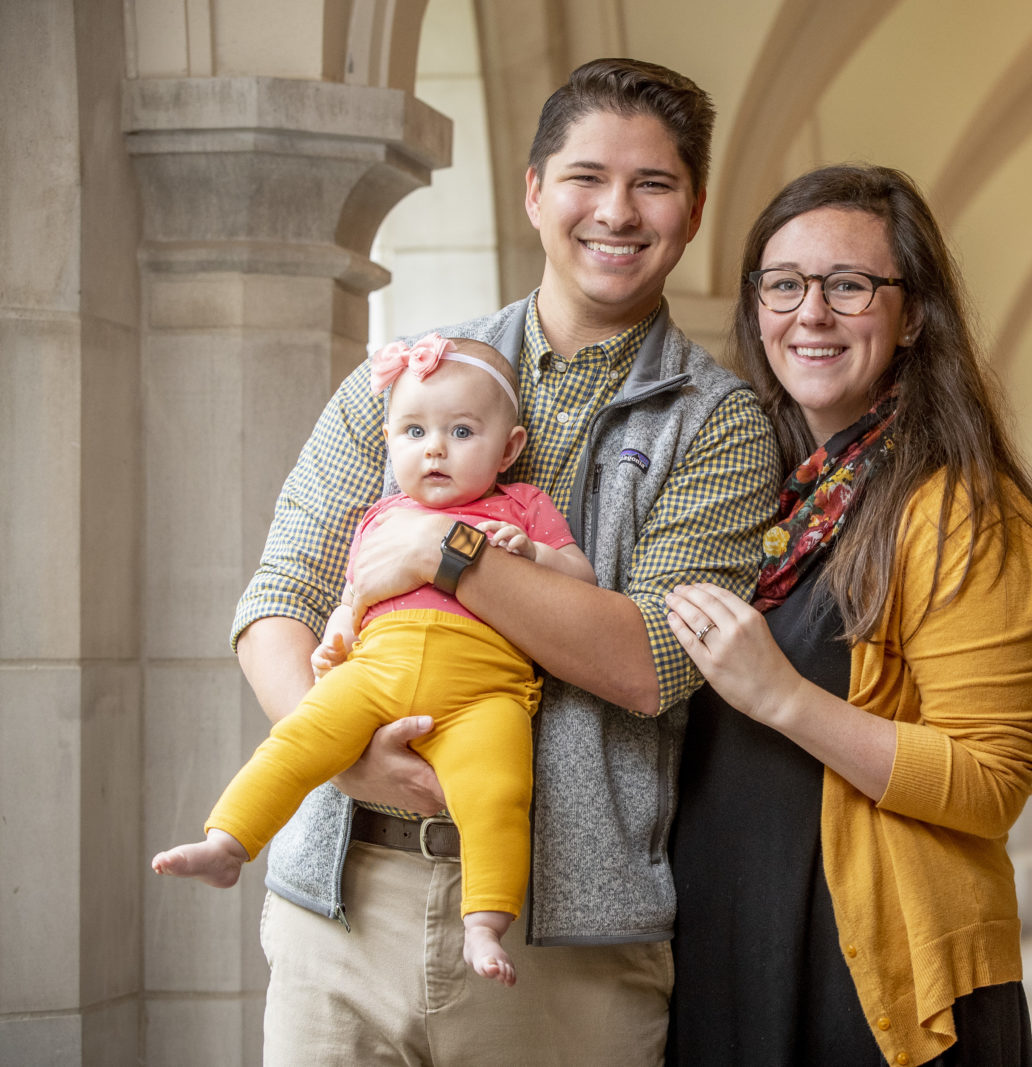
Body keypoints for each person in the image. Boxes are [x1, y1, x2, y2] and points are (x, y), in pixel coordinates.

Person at [229, 59, 779, 1065]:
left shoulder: (721, 424)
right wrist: (344, 752)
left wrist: (450, 550)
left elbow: (653, 662)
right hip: (343, 907)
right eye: (585, 176)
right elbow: (280, 593)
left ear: (692, 211)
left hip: (564, 939)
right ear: (532, 191)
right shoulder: (412, 374)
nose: (615, 210)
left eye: (652, 184)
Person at [664, 163, 1032, 1067]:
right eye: (785, 284)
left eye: (849, 285)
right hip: (730, 952)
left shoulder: (961, 507)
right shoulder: (763, 494)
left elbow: (992, 778)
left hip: (871, 979)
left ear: (913, 314)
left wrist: (784, 697)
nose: (812, 314)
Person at [155, 335, 594, 988]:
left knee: (499, 790)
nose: (435, 447)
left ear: (508, 448)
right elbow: (353, 595)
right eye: (414, 430)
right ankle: (228, 842)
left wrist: (532, 553)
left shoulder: (521, 507)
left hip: (485, 693)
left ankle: (484, 918)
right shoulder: (382, 514)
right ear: (389, 440)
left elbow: (580, 578)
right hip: (373, 674)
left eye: (462, 431)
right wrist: (335, 640)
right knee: (296, 739)